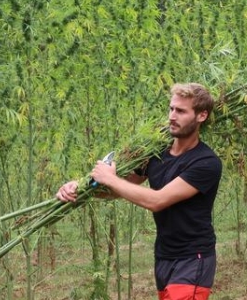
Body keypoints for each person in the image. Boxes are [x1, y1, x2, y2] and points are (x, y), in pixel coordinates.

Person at [56, 83, 224, 300]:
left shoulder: (206, 163)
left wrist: (110, 178)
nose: (172, 116)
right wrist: (78, 189)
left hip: (193, 258)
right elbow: (118, 190)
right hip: (164, 255)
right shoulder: (156, 152)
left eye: (181, 111)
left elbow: (158, 200)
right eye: (171, 109)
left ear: (201, 116)